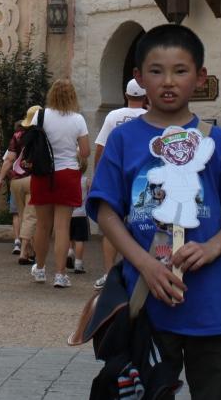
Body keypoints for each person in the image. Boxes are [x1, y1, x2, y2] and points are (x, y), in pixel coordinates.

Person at [87, 24, 221, 400]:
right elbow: (106, 211)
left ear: (200, 77)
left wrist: (211, 247)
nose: (168, 81)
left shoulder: (217, 142)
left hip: (209, 304)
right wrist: (144, 264)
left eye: (180, 71)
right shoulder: (124, 139)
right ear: (138, 77)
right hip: (146, 302)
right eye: (156, 71)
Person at [29, 79, 90, 289]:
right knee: (63, 226)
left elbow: (32, 143)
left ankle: (40, 269)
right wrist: (72, 150)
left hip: (42, 173)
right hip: (68, 173)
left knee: (42, 225)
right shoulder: (78, 119)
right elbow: (85, 152)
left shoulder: (40, 115)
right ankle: (60, 274)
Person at [92, 78, 149, 288]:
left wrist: (98, 175)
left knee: (112, 223)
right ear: (146, 96)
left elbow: (101, 147)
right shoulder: (150, 116)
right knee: (142, 223)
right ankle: (139, 270)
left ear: (126, 95)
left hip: (116, 176)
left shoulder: (113, 116)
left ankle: (109, 273)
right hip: (143, 178)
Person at [0, 104, 41, 264]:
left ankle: (30, 251)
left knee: (22, 216)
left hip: (16, 181)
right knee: (31, 217)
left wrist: (0, 180)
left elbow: (9, 159)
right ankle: (23, 252)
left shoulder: (17, 135)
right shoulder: (41, 136)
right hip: (33, 180)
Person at [66, 167, 91, 274]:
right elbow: (90, 195)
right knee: (79, 239)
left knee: (69, 236)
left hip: (68, 213)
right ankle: (78, 264)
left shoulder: (67, 180)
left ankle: (69, 253)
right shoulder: (86, 181)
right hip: (81, 213)